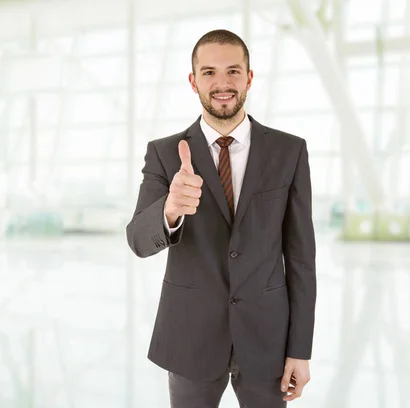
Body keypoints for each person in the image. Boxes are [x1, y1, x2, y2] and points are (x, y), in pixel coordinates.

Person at [126, 29, 316, 408]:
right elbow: (138, 241)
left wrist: (301, 349)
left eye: (233, 71)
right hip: (190, 338)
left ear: (249, 77)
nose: (222, 83)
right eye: (209, 72)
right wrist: (170, 209)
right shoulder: (165, 154)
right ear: (194, 81)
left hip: (268, 341)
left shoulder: (289, 151)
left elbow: (300, 258)